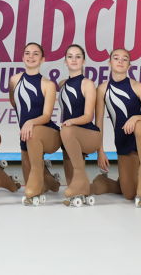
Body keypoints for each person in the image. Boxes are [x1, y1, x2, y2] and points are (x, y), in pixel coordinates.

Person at [93, 48, 141, 207]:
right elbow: (99, 122)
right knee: (129, 193)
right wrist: (100, 150)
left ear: (129, 65)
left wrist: (136, 117)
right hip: (124, 142)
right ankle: (109, 180)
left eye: (125, 59)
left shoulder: (137, 86)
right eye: (116, 58)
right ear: (109, 63)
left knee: (139, 126)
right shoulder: (102, 89)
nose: (120, 61)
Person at [11, 42, 61, 206]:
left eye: (35, 54)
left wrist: (30, 122)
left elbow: (47, 115)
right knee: (36, 179)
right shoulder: (14, 80)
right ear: (22, 57)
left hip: (48, 133)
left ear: (42, 59)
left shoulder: (48, 84)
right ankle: (51, 180)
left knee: (33, 181)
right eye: (27, 53)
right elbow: (14, 102)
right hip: (26, 135)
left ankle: (41, 171)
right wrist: (26, 124)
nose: (31, 57)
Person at [58, 44, 101, 207]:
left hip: (88, 134)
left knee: (67, 130)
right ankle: (84, 183)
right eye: (70, 56)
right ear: (65, 61)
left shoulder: (87, 84)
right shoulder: (63, 84)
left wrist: (72, 122)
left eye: (78, 56)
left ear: (84, 61)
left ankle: (81, 178)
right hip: (69, 137)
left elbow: (88, 116)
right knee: (73, 185)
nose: (74, 60)